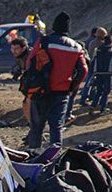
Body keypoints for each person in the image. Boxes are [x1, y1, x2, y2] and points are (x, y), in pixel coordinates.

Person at [21, 12, 88, 153]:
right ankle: (55, 158)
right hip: (62, 92)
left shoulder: (44, 42)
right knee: (56, 127)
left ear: (54, 26)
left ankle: (34, 157)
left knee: (36, 127)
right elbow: (83, 71)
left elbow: (29, 62)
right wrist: (72, 86)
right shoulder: (76, 47)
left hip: (40, 92)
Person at [82, 26, 112, 115]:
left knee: (99, 89)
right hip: (107, 73)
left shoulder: (98, 49)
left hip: (97, 71)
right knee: (106, 91)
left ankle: (93, 105)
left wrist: (94, 71)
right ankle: (102, 108)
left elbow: (93, 60)